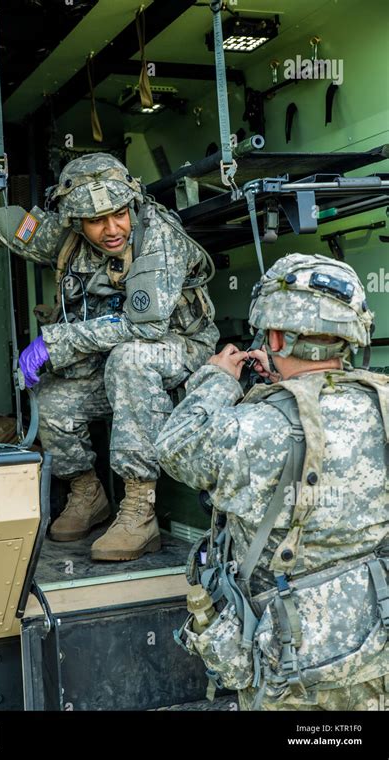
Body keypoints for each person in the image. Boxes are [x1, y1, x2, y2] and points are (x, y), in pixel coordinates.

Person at [156, 253, 388, 711]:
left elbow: (175, 447)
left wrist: (218, 380)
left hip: (294, 664)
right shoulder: (383, 407)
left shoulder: (255, 428)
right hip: (376, 641)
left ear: (276, 336)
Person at [0, 153, 219, 561]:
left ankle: (141, 508)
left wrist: (57, 342)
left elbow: (147, 328)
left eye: (119, 214)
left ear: (131, 205)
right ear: (76, 221)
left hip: (181, 352)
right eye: (96, 220)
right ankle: (88, 494)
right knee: (52, 399)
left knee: (130, 359)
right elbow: (15, 228)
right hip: (113, 357)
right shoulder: (69, 236)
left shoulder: (158, 238)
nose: (112, 228)